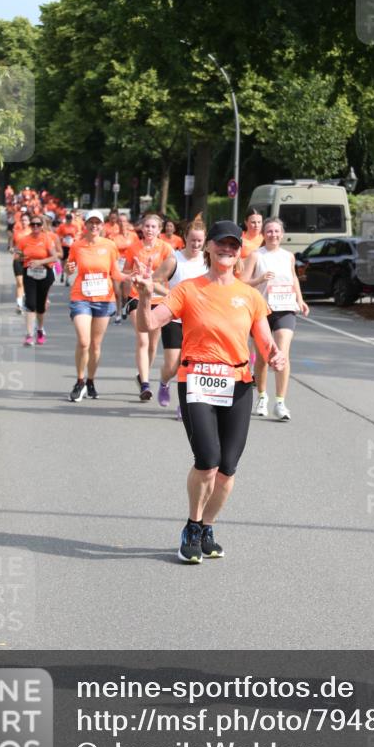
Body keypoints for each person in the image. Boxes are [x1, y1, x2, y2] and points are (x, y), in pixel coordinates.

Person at [133, 219, 285, 563]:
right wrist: (144, 298)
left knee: (228, 469)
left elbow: (265, 342)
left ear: (239, 251)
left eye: (233, 245)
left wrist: (276, 355)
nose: (227, 250)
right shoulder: (188, 289)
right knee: (207, 462)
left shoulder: (249, 296)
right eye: (221, 244)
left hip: (238, 385)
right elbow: (149, 324)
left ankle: (207, 526)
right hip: (197, 382)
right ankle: (191, 524)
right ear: (209, 248)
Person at [242, 216, 309, 421]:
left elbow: (294, 277)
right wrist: (260, 279)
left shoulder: (288, 256)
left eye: (277, 231)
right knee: (263, 357)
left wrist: (301, 300)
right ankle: (262, 396)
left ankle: (280, 402)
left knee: (281, 354)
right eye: (269, 231)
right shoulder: (256, 256)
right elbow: (243, 282)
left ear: (282, 234)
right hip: (262, 311)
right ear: (263, 234)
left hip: (286, 309)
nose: (273, 235)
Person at [65, 210, 128, 402]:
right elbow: (69, 268)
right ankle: (79, 381)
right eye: (91, 222)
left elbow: (115, 272)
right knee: (84, 341)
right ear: (86, 225)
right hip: (81, 298)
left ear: (102, 225)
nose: (94, 226)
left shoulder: (109, 246)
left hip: (103, 299)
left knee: (95, 345)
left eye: (97, 223)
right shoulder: (77, 246)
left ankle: (90, 381)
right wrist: (69, 269)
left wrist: (130, 277)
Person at [152, 216, 208, 414]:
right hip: (175, 318)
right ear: (185, 237)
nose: (196, 244)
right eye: (192, 240)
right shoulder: (175, 259)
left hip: (199, 320)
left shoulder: (208, 260)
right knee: (173, 365)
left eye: (200, 241)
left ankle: (184, 404)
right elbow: (154, 281)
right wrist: (171, 294)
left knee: (192, 365)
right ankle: (164, 382)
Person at [122, 212, 173, 399]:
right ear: (142, 228)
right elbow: (125, 272)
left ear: (159, 230)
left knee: (153, 344)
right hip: (137, 296)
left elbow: (172, 273)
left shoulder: (166, 249)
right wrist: (133, 276)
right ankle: (145, 384)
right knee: (142, 340)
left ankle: (143, 374)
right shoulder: (133, 248)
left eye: (154, 227)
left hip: (158, 299)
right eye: (147, 226)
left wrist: (156, 278)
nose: (150, 230)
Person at [15, 216, 58, 346]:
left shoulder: (47, 239)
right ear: (30, 226)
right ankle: (29, 335)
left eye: (38, 224)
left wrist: (40, 261)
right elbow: (17, 256)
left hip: (45, 273)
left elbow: (55, 257)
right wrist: (22, 256)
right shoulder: (24, 240)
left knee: (40, 306)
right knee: (30, 304)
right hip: (30, 274)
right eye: (33, 224)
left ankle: (39, 330)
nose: (35, 227)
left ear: (41, 226)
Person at [112, 213, 138, 323]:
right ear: (117, 223)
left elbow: (137, 250)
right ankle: (118, 313)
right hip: (118, 263)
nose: (122, 223)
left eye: (124, 221)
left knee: (126, 292)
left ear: (128, 223)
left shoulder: (134, 236)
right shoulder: (114, 237)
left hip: (129, 264)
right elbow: (112, 252)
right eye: (120, 221)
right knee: (117, 291)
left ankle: (124, 306)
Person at [11, 212, 31, 313]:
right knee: (19, 283)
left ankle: (26, 301)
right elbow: (11, 245)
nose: (24, 222)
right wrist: (11, 249)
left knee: (27, 283)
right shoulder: (16, 233)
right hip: (17, 260)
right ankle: (19, 305)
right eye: (22, 220)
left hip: (29, 261)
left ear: (29, 221)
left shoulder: (32, 232)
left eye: (26, 220)